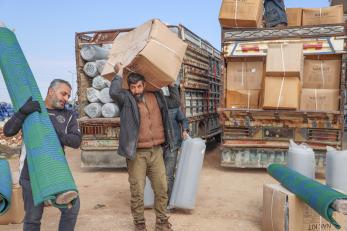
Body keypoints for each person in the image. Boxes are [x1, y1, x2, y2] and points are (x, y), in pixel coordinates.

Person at [3, 79, 81, 231]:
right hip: (30, 173)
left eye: (68, 95)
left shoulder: (68, 115)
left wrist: (53, 130)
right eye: (63, 94)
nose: (66, 99)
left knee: (72, 207)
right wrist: (22, 112)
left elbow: (76, 141)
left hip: (56, 171)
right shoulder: (32, 111)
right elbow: (8, 131)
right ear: (51, 91)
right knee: (32, 219)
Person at [109, 63, 174, 231]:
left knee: (161, 188)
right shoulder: (127, 99)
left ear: (144, 85)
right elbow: (114, 92)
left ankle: (162, 222)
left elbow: (175, 101)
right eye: (133, 87)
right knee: (137, 190)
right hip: (137, 153)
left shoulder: (157, 95)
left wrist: (172, 85)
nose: (136, 90)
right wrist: (118, 74)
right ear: (129, 87)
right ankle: (139, 224)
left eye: (139, 86)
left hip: (157, 151)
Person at [162, 84, 189, 202]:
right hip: (156, 146)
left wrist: (184, 130)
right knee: (157, 176)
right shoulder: (151, 107)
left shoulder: (172, 106)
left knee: (168, 176)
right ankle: (159, 200)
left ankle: (168, 203)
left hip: (171, 145)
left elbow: (183, 119)